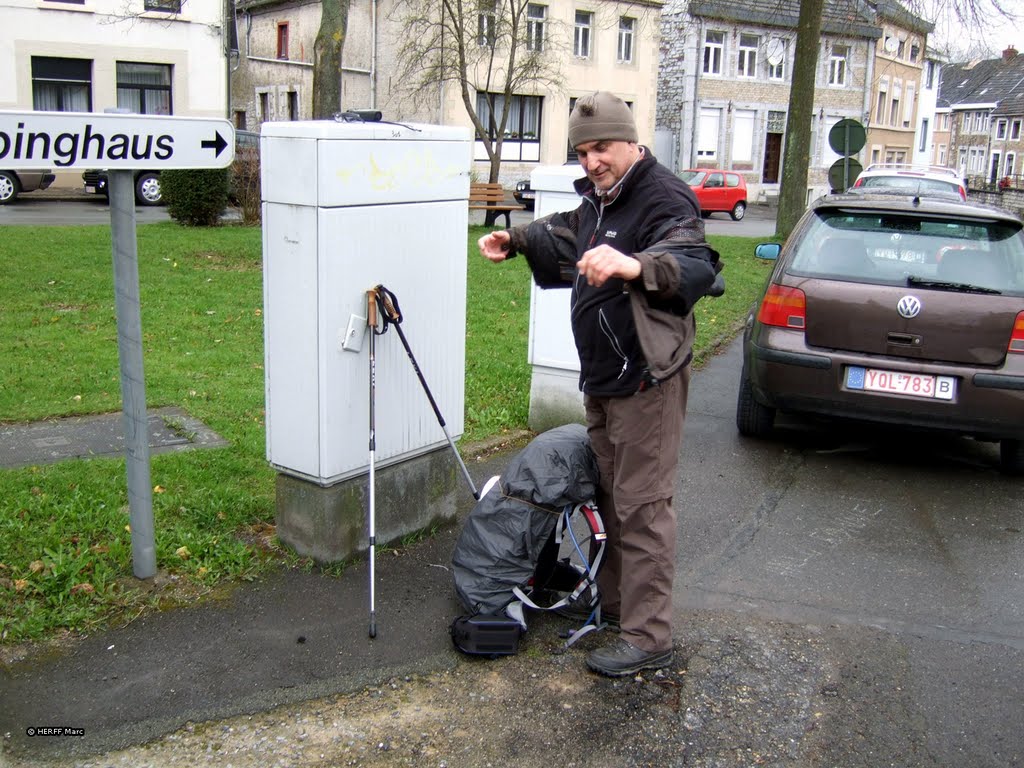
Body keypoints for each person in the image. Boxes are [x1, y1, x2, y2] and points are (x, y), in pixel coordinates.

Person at [477, 91, 721, 677]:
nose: (592, 161)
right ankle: (615, 609)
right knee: (612, 496)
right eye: (583, 151)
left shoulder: (662, 196)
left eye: (602, 148)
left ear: (634, 143)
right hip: (605, 378)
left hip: (646, 380)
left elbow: (695, 262)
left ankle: (649, 635)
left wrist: (634, 265)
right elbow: (569, 231)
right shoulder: (602, 200)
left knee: (643, 507)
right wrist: (517, 242)